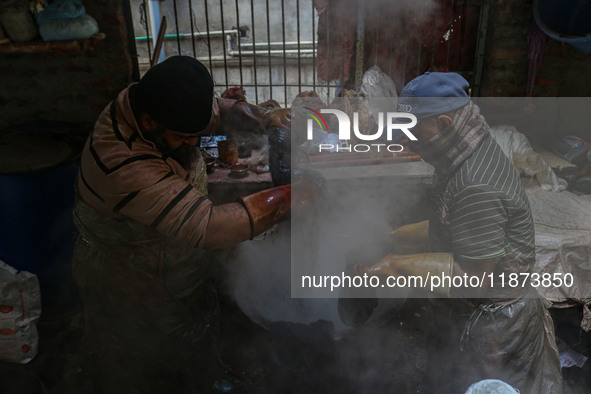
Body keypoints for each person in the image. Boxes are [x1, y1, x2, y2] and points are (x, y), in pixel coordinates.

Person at [71, 56, 321, 393]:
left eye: (196, 136)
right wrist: (294, 194)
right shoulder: (121, 161)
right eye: (182, 137)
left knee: (194, 354)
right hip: (132, 289)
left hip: (176, 266)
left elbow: (218, 110)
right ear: (147, 123)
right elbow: (207, 227)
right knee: (144, 368)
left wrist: (265, 117)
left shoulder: (152, 100)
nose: (194, 144)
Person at [359, 72, 562, 393]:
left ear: (444, 123)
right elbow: (448, 224)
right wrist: (395, 237)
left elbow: (474, 276)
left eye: (412, 129)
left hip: (497, 322)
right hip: (474, 306)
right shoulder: (469, 149)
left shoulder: (475, 184)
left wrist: (392, 265)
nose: (405, 138)